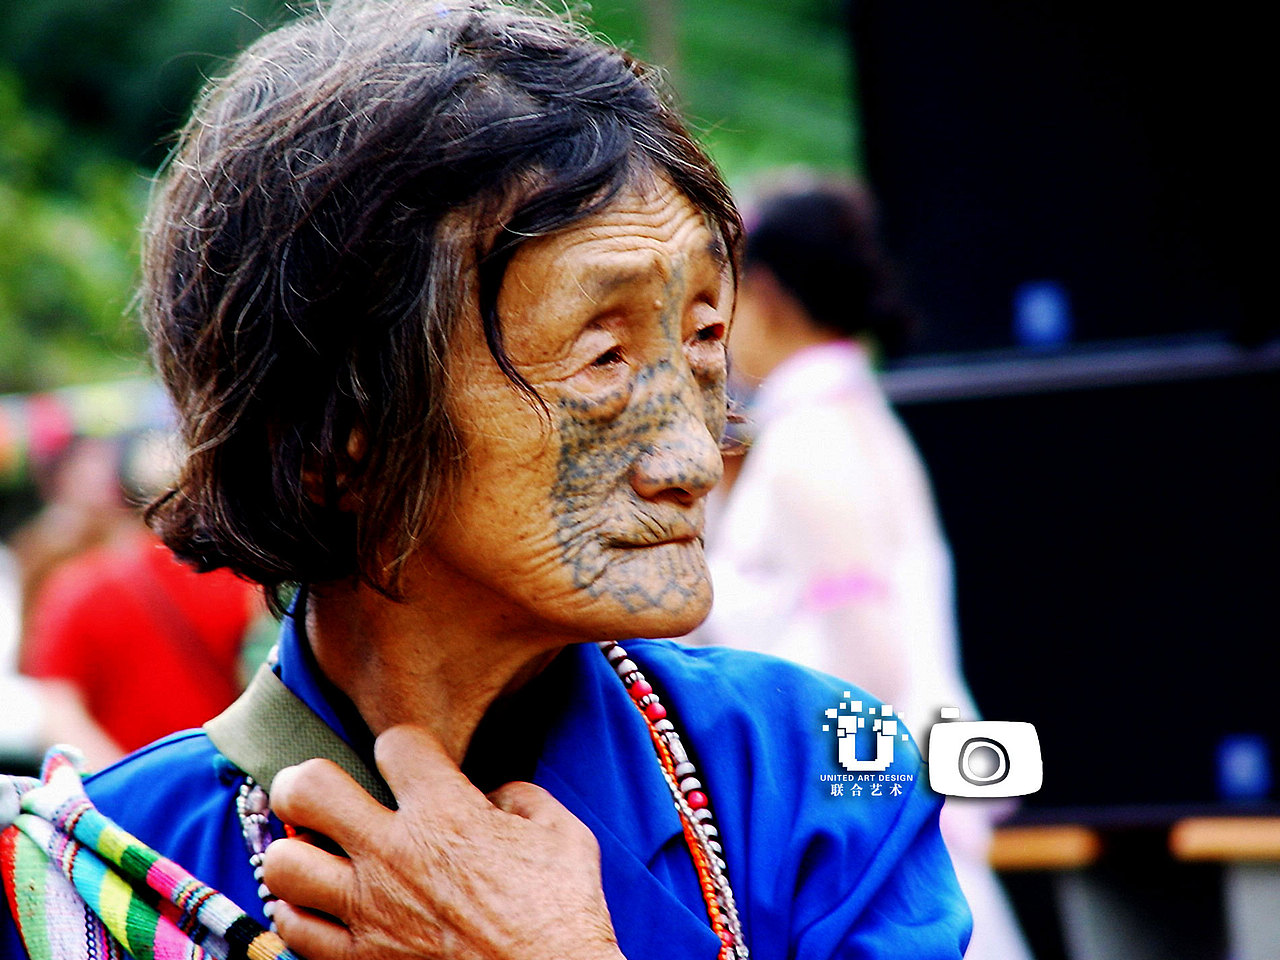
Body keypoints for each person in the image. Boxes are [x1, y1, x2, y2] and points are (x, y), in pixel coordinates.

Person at [1, 5, 970, 959]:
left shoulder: (816, 781)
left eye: (704, 337)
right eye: (602, 356)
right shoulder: (95, 886)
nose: (692, 450)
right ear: (340, 433)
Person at [693, 175, 1033, 960]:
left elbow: (869, 661)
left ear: (767, 291)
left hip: (862, 815)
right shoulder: (845, 419)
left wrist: (825, 815)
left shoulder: (812, 443)